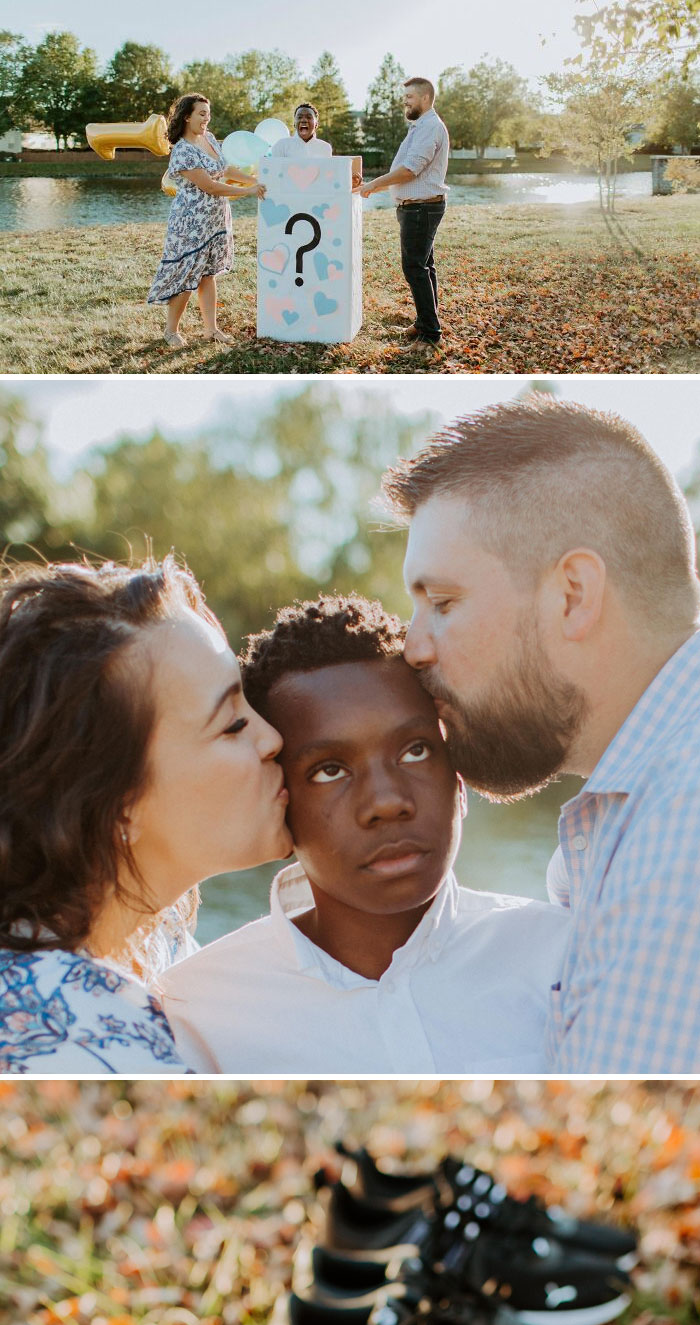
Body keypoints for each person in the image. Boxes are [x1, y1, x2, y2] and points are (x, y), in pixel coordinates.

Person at [382, 395, 700, 1074]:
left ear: (573, 595)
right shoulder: (633, 814)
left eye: (443, 603)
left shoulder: (679, 851)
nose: (412, 647)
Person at [162, 596, 568, 1073]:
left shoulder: (563, 957)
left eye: (415, 752)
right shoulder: (193, 1011)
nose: (386, 802)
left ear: (458, 777)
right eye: (330, 770)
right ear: (278, 795)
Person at [0, 558, 291, 1073]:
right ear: (114, 801)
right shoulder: (75, 1042)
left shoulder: (157, 945)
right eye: (231, 725)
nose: (272, 739)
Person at [148, 94, 266, 350]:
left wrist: (252, 181)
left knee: (208, 274)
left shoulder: (209, 139)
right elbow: (209, 186)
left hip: (215, 220)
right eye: (201, 113)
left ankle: (211, 330)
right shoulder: (181, 150)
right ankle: (171, 331)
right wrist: (246, 192)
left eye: (208, 114)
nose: (206, 119)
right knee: (187, 275)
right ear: (186, 116)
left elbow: (225, 169)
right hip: (191, 222)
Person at [360, 78, 449, 349]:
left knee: (415, 268)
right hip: (417, 206)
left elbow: (410, 169)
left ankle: (430, 336)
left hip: (421, 208)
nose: (405, 101)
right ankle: (425, 323)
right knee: (424, 266)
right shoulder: (420, 126)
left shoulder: (429, 127)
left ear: (424, 98)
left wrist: (374, 185)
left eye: (409, 97)